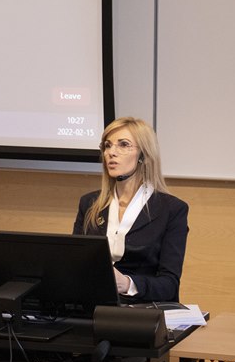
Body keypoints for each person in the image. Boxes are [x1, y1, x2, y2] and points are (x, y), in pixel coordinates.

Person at [73, 117, 189, 303]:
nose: (111, 152)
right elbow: (74, 264)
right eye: (107, 146)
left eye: (123, 144)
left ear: (144, 155)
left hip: (140, 309)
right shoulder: (89, 204)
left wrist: (127, 284)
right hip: (92, 305)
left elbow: (169, 285)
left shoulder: (172, 210)